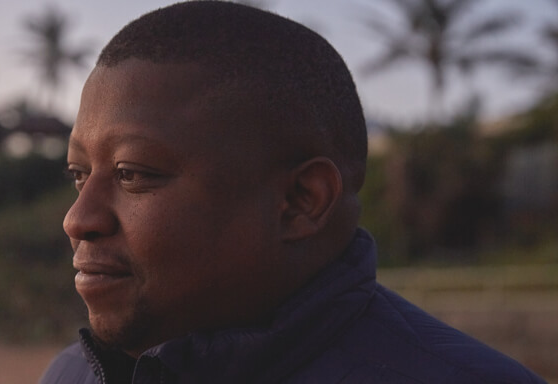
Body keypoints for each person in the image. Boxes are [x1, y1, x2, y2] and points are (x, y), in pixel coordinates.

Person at [39, 2, 546, 383]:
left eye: (132, 173)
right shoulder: (71, 375)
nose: (78, 219)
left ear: (302, 201)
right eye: (79, 175)